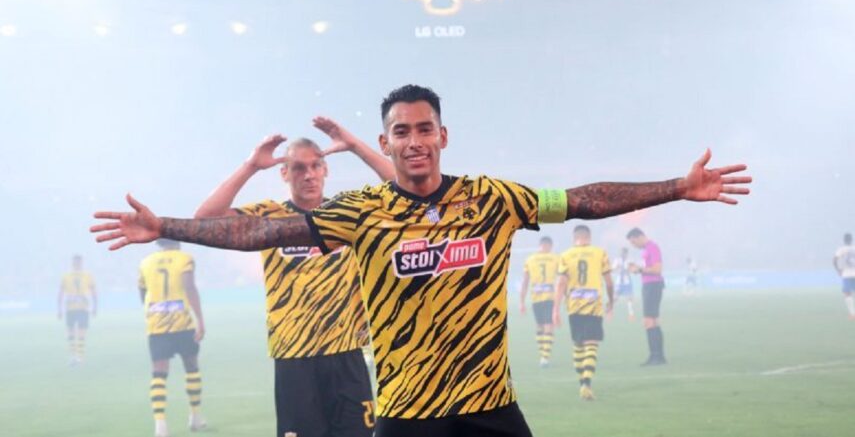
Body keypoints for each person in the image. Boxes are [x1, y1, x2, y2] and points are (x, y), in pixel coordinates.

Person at [92, 84, 752, 437]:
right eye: (401, 131)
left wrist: (676, 186)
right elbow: (256, 234)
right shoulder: (361, 213)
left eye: (424, 128)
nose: (414, 140)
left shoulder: (493, 198)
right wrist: (164, 226)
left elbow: (583, 198)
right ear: (385, 143)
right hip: (407, 414)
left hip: (490, 405)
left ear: (443, 135)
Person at [194, 117, 394, 437]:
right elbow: (204, 219)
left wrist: (355, 146)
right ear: (284, 173)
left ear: (326, 170)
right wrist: (250, 166)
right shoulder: (269, 216)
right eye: (299, 168)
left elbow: (404, 190)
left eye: (315, 166)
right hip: (294, 356)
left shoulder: (348, 211)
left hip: (346, 353)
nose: (309, 175)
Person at [139, 239, 206, 437]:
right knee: (191, 367)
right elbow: (189, 287)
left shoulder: (146, 262)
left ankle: (160, 425)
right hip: (182, 322)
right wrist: (200, 319)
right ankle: (195, 416)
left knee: (158, 372)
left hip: (157, 324)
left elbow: (142, 291)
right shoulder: (184, 259)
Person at [553, 225, 612, 400]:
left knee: (578, 345)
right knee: (591, 344)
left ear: (575, 237)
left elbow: (561, 283)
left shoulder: (566, 255)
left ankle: (582, 384)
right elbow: (609, 282)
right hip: (594, 305)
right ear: (589, 236)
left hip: (574, 305)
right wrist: (611, 300)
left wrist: (555, 308)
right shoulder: (600, 253)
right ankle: (587, 384)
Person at [627, 227, 666, 366]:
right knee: (653, 320)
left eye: (633, 242)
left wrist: (639, 269)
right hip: (650, 285)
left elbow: (657, 269)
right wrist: (637, 268)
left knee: (649, 320)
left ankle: (656, 356)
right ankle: (658, 356)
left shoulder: (652, 247)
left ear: (639, 237)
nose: (634, 245)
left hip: (653, 285)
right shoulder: (646, 250)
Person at [519, 236, 561, 367]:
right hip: (550, 297)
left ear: (540, 245)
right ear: (550, 245)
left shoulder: (530, 259)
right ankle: (544, 356)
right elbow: (562, 278)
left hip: (536, 297)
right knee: (548, 325)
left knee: (540, 326)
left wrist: (522, 301)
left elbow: (525, 282)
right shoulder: (556, 258)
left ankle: (543, 355)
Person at [57, 255, 97, 365]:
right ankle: (73, 356)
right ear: (73, 263)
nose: (77, 264)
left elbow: (93, 291)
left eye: (78, 262)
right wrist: (59, 309)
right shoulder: (66, 276)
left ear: (81, 263)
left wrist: (95, 306)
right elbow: (61, 292)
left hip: (83, 308)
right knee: (71, 333)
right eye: (75, 262)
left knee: (81, 333)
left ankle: (80, 357)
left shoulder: (87, 276)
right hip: (70, 308)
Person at [833, 233, 855, 320]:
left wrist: (838, 270)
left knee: (847, 293)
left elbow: (834, 260)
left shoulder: (841, 249)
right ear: (852, 240)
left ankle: (852, 314)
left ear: (844, 240)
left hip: (847, 274)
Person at [612, 247, 635, 320]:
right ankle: (609, 311)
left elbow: (633, 270)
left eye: (624, 253)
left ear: (626, 254)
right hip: (619, 282)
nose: (623, 254)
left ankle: (631, 314)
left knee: (629, 298)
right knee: (615, 298)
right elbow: (612, 269)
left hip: (627, 282)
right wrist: (616, 268)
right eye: (621, 252)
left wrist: (630, 269)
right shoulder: (617, 260)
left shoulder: (629, 261)